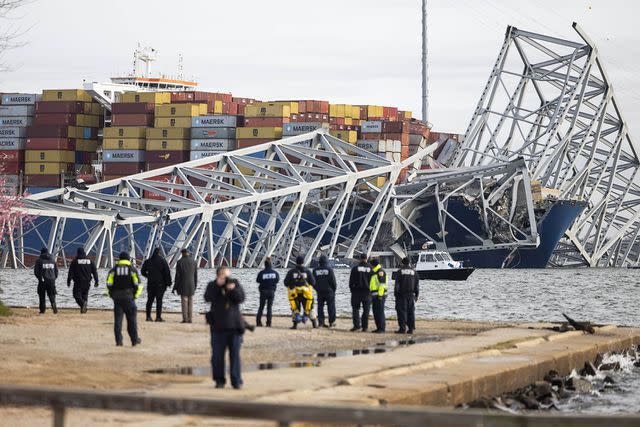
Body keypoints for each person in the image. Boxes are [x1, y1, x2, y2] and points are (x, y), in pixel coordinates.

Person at [204, 266, 246, 389]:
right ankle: (219, 380)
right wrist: (218, 285)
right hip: (217, 326)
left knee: (235, 355)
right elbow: (207, 298)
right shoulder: (212, 285)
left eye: (227, 275)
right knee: (217, 356)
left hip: (234, 326)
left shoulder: (235, 284)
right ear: (217, 275)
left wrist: (232, 289)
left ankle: (236, 380)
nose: (226, 278)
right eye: (223, 275)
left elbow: (241, 298)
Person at [106, 251, 142, 347]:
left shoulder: (113, 270)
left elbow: (109, 284)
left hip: (117, 299)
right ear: (129, 259)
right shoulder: (132, 270)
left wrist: (111, 295)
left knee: (118, 321)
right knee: (132, 321)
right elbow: (137, 284)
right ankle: (134, 340)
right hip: (129, 298)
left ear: (119, 259)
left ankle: (119, 341)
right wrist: (135, 296)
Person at [283, 256, 317, 329]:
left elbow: (286, 283)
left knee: (295, 308)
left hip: (294, 294)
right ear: (303, 262)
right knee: (310, 307)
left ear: (296, 262)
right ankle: (314, 323)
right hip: (306, 293)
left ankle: (295, 325)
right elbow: (313, 282)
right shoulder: (307, 271)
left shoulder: (291, 272)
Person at [141, 248, 172, 322]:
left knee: (149, 300)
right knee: (159, 300)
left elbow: (142, 272)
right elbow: (167, 273)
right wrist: (169, 283)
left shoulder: (148, 261)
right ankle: (158, 317)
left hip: (151, 283)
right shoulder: (163, 261)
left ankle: (148, 317)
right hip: (160, 284)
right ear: (160, 253)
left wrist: (148, 276)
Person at [67, 247, 99, 313]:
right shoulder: (90, 261)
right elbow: (95, 272)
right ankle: (83, 309)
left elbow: (70, 272)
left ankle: (82, 304)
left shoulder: (75, 261)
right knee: (85, 296)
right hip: (87, 282)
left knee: (76, 295)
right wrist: (96, 281)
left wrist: (69, 281)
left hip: (78, 282)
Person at [394, 257, 419, 334]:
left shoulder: (400, 272)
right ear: (409, 263)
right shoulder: (414, 272)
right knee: (411, 312)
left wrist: (396, 294)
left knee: (402, 311)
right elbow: (417, 285)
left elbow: (397, 285)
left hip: (402, 295)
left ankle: (402, 328)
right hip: (411, 295)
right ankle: (411, 328)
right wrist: (417, 295)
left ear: (402, 263)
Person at [348, 253, 372, 331]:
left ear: (360, 258)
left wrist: (352, 290)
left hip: (356, 292)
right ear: (366, 258)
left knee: (355, 309)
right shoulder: (371, 269)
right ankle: (365, 327)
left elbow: (351, 282)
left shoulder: (355, 268)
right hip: (367, 292)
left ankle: (356, 326)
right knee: (366, 310)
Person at [174, 249, 198, 323]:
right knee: (190, 302)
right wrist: (195, 285)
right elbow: (195, 276)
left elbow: (177, 276)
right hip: (191, 285)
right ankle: (190, 319)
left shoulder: (180, 262)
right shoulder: (193, 262)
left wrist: (175, 286)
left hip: (182, 285)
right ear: (188, 253)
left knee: (184, 302)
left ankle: (185, 319)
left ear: (182, 253)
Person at [313, 255, 337, 328]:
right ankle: (331, 322)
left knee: (320, 307)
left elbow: (313, 281)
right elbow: (333, 281)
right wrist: (333, 290)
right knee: (331, 307)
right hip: (329, 291)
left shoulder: (315, 270)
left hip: (319, 291)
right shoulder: (329, 270)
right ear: (326, 262)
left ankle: (321, 323)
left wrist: (316, 288)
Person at [34, 247, 58, 314]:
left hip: (42, 281)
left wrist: (39, 279)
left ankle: (42, 311)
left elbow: (36, 272)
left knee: (42, 296)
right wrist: (53, 278)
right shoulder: (53, 260)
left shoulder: (39, 260)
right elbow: (56, 271)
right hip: (51, 281)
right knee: (52, 295)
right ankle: (53, 304)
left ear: (41, 252)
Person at [256, 257, 279, 327]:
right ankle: (268, 323)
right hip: (271, 291)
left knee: (261, 307)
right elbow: (277, 280)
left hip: (263, 291)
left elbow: (257, 280)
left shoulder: (261, 273)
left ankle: (258, 322)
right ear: (271, 264)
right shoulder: (275, 273)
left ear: (265, 265)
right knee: (269, 307)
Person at [369, 258, 388, 333]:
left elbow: (382, 284)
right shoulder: (374, 272)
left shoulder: (380, 272)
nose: (370, 265)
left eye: (371, 264)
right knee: (376, 312)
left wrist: (380, 295)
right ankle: (378, 327)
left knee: (380, 312)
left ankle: (381, 328)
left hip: (379, 296)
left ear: (373, 265)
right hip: (374, 295)